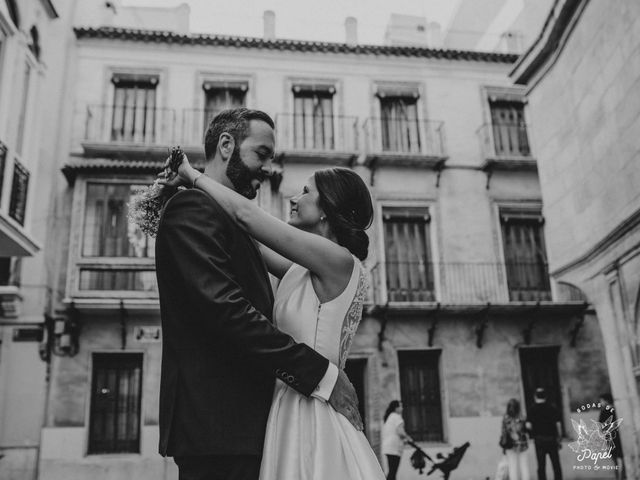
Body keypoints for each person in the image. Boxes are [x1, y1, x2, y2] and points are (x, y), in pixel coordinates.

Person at [157, 107, 385, 479]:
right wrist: (181, 191)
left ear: (327, 211)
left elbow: (248, 219)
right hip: (262, 414)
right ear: (227, 145)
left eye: (306, 191)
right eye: (262, 155)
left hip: (305, 408)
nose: (294, 195)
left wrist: (192, 175)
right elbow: (243, 236)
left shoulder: (336, 260)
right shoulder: (302, 268)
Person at [525, 388, 563, 480]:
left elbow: (528, 425)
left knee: (541, 465)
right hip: (552, 438)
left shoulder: (531, 409)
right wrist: (559, 438)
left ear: (535, 397)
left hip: (539, 439)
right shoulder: (552, 408)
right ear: (545, 396)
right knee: (556, 464)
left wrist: (534, 431)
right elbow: (558, 424)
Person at [382, 400, 413, 480]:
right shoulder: (397, 417)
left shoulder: (390, 416)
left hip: (388, 447)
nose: (402, 408)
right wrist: (408, 438)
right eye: (400, 406)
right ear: (396, 408)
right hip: (394, 448)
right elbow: (400, 431)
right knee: (393, 472)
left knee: (391, 471)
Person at [500, 398, 530, 480]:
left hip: (510, 446)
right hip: (522, 445)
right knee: (524, 467)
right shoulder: (522, 417)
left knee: (512, 467)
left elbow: (503, 432)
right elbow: (527, 430)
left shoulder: (506, 418)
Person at [599, 393, 625, 478]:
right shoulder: (617, 409)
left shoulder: (604, 411)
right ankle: (624, 475)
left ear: (606, 401)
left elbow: (601, 425)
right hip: (620, 436)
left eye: (601, 401)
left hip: (610, 438)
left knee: (615, 460)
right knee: (622, 457)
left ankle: (617, 476)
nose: (601, 402)